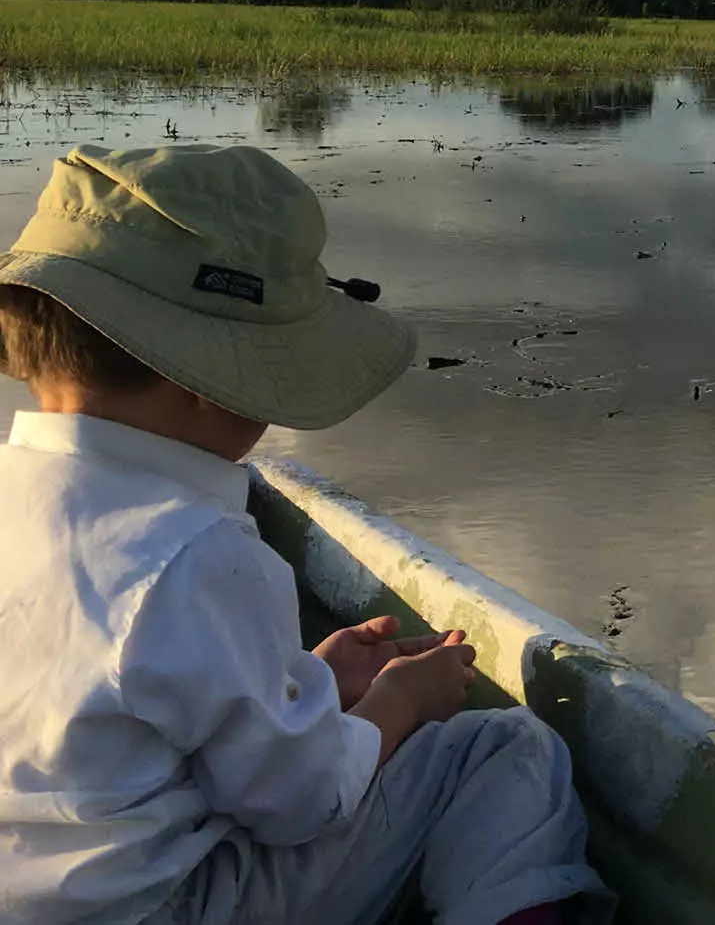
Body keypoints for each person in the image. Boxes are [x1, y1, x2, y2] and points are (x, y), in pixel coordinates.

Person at [0, 143, 609, 925]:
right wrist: (396, 703)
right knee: (502, 750)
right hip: (164, 908)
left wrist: (310, 682)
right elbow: (298, 803)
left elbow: (116, 705)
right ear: (208, 380)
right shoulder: (198, 551)